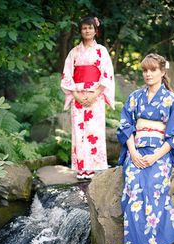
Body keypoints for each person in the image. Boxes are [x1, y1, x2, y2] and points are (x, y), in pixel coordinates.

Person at [116, 53, 174, 244]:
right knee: (132, 193)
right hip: (136, 151)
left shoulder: (172, 100)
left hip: (159, 154)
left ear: (162, 72)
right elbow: (125, 126)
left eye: (153, 70)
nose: (148, 74)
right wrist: (133, 152)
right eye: (145, 70)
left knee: (152, 191)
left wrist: (155, 157)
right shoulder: (135, 97)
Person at [60, 16, 115, 180]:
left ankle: (93, 167)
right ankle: (81, 168)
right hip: (77, 95)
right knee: (79, 132)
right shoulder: (74, 52)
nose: (87, 31)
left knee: (94, 131)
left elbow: (107, 74)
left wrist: (96, 93)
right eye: (84, 28)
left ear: (95, 30)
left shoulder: (101, 51)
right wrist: (75, 94)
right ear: (81, 31)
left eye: (90, 28)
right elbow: (67, 74)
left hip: (95, 96)